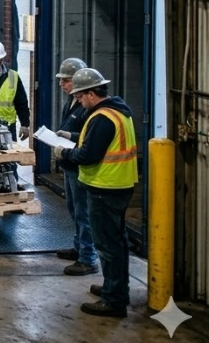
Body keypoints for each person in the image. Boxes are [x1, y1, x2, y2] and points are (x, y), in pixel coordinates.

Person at [50, 68, 137, 318]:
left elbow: (89, 154)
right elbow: (96, 141)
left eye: (80, 97)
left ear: (91, 94)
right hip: (118, 186)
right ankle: (114, 289)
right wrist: (72, 137)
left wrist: (64, 152)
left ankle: (114, 301)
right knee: (116, 243)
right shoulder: (117, 111)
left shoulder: (102, 117)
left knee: (108, 246)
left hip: (105, 188)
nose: (78, 102)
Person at [53, 57, 96, 276]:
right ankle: (79, 248)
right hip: (69, 164)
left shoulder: (87, 106)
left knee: (83, 213)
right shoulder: (71, 102)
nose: (62, 84)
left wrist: (70, 136)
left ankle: (88, 258)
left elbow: (89, 137)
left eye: (66, 80)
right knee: (74, 210)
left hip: (79, 165)